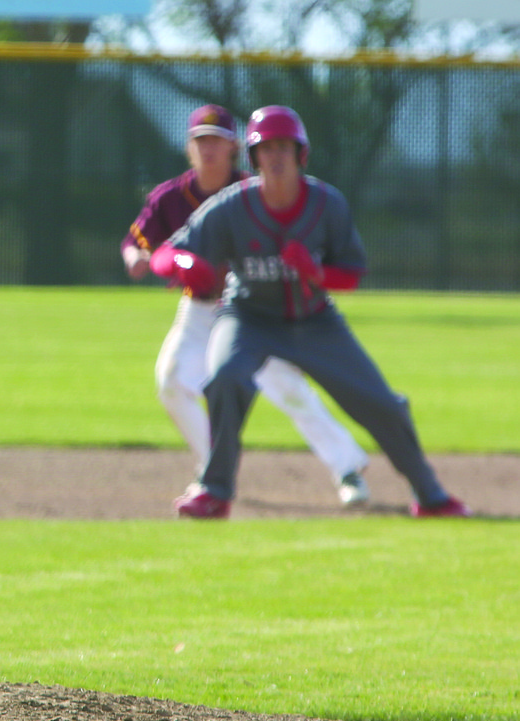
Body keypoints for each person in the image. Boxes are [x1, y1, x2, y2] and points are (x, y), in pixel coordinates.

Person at [150, 105, 470, 519]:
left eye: (284, 147)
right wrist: (181, 265)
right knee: (226, 379)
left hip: (315, 320)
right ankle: (215, 491)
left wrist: (316, 272)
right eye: (266, 149)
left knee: (383, 404)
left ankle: (430, 494)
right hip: (248, 317)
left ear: (301, 153)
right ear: (254, 157)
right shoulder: (233, 206)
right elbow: (167, 252)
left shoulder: (326, 204)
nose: (276, 157)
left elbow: (352, 274)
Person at [122, 104, 371, 507]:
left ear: (234, 147)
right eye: (201, 141)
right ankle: (213, 470)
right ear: (190, 147)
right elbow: (146, 244)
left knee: (288, 388)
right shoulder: (170, 196)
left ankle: (348, 468)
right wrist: (144, 258)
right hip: (200, 311)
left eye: (216, 141)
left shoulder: (254, 191)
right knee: (170, 381)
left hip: (253, 309)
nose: (208, 149)